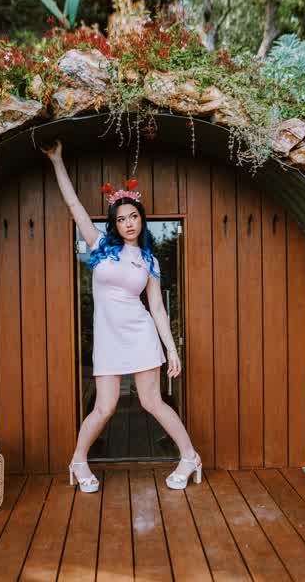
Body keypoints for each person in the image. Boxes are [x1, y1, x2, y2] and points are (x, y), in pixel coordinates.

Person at [41, 139, 202, 492]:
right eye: (121, 219)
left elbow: (156, 307)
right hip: (109, 338)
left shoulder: (149, 261)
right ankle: (78, 461)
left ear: (141, 220)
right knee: (105, 407)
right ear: (114, 224)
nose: (129, 223)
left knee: (152, 401)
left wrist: (171, 349)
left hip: (140, 334)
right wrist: (57, 160)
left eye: (133, 217)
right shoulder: (100, 246)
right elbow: (74, 204)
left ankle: (189, 456)